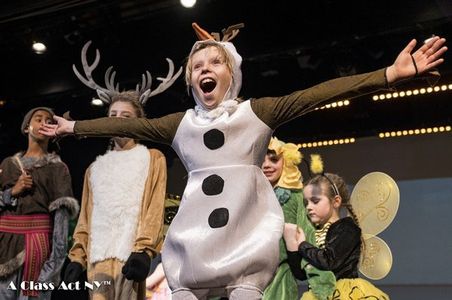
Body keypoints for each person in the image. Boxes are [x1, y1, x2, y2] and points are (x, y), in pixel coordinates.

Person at [39, 23, 447, 300]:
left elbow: (318, 93)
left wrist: (388, 75)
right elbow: (120, 126)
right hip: (195, 236)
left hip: (245, 233)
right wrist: (72, 128)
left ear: (231, 73)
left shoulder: (257, 113)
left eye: (215, 62)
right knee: (182, 289)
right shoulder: (178, 124)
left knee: (247, 288)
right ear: (190, 81)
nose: (205, 69)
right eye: (197, 66)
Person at [63, 91, 167, 300]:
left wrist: (144, 251)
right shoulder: (95, 168)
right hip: (98, 261)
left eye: (126, 116)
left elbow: (154, 211)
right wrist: (77, 258)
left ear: (138, 122)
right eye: (112, 116)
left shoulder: (152, 159)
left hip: (130, 258)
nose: (118, 121)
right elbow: (86, 218)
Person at [0, 107, 79, 300]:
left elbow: (61, 224)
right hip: (4, 249)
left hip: (37, 250)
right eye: (38, 119)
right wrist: (12, 192)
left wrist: (52, 269)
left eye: (50, 121)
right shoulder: (7, 165)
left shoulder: (57, 169)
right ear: (27, 127)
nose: (44, 123)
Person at [283, 171, 389, 299]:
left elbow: (329, 261)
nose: (309, 207)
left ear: (336, 201)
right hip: (318, 294)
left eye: (315, 201)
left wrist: (303, 245)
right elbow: (301, 274)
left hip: (343, 293)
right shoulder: (312, 232)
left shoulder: (347, 229)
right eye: (306, 203)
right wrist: (292, 247)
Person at [262, 138, 335, 300]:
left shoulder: (294, 196)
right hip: (245, 276)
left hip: (278, 279)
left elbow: (306, 232)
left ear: (286, 162)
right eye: (261, 160)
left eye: (274, 159)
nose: (266, 165)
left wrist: (320, 281)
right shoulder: (249, 196)